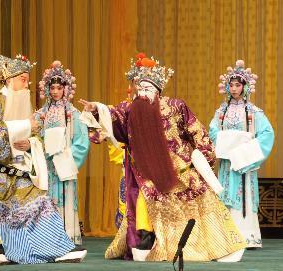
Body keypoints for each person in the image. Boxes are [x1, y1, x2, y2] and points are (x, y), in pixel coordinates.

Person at [79, 53, 246, 262]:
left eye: (147, 89)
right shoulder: (131, 110)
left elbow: (197, 132)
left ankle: (219, 247)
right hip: (147, 172)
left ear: (158, 91)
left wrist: (202, 156)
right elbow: (112, 115)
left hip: (181, 169)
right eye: (140, 89)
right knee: (144, 204)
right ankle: (146, 245)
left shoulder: (176, 106)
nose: (142, 93)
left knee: (202, 204)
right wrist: (96, 109)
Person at [0, 54, 86, 265]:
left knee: (38, 200)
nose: (26, 84)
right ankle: (2, 248)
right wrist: (26, 126)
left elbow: (34, 135)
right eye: (22, 79)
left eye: (27, 79)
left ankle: (59, 247)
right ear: (9, 80)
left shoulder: (23, 104)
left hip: (15, 169)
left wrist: (31, 143)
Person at [209, 60, 274, 249]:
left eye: (238, 85)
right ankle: (226, 237)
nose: (234, 88)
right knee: (225, 194)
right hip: (227, 163)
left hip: (243, 162)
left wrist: (246, 150)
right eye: (231, 84)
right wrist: (230, 141)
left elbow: (267, 134)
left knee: (244, 195)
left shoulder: (253, 112)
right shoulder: (221, 111)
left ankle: (247, 236)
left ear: (245, 87)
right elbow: (213, 131)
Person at [34, 60, 89, 245]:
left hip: (63, 165)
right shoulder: (40, 114)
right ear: (47, 89)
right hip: (46, 166)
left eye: (59, 87)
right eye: (52, 87)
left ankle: (65, 238)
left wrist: (64, 159)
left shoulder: (73, 114)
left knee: (65, 197)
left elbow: (82, 143)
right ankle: (46, 238)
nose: (56, 91)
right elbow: (34, 137)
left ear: (66, 89)